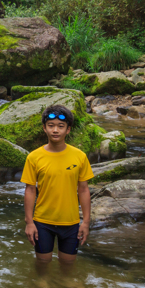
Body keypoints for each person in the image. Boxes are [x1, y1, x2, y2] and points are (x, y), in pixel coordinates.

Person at [21, 104, 93, 276]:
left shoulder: (79, 156)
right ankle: (41, 284)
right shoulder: (34, 157)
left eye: (60, 126)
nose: (55, 130)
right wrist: (29, 222)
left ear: (68, 130)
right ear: (44, 128)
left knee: (68, 263)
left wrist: (86, 222)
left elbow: (83, 190)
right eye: (51, 126)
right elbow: (30, 190)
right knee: (43, 261)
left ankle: (64, 287)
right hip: (43, 221)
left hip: (71, 222)